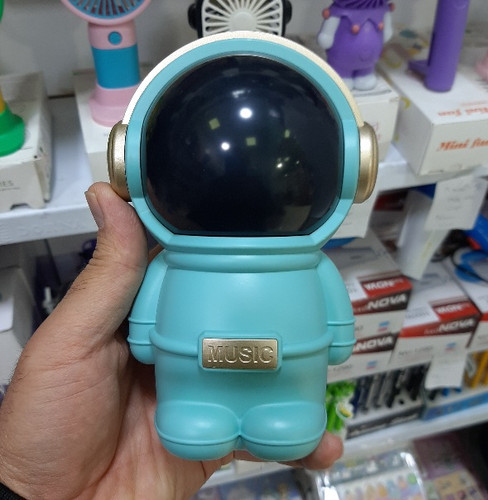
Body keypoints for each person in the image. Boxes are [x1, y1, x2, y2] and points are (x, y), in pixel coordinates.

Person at [0, 183, 344, 500]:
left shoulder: (310, 262)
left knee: (283, 431)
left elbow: (145, 337)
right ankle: (203, 412)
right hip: (192, 389)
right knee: (195, 428)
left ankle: (282, 412)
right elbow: (338, 337)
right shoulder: (171, 262)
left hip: (285, 386)